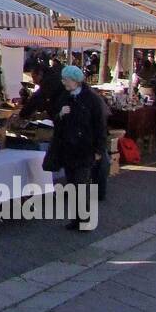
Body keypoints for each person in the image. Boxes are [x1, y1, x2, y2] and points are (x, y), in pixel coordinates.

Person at [44, 65, 104, 230]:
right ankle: (76, 219)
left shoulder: (91, 99)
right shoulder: (64, 97)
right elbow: (55, 121)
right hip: (68, 149)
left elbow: (99, 126)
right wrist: (61, 114)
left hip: (85, 149)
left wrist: (99, 149)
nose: (63, 83)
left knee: (81, 184)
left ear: (75, 81)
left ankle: (85, 219)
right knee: (71, 184)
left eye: (66, 80)